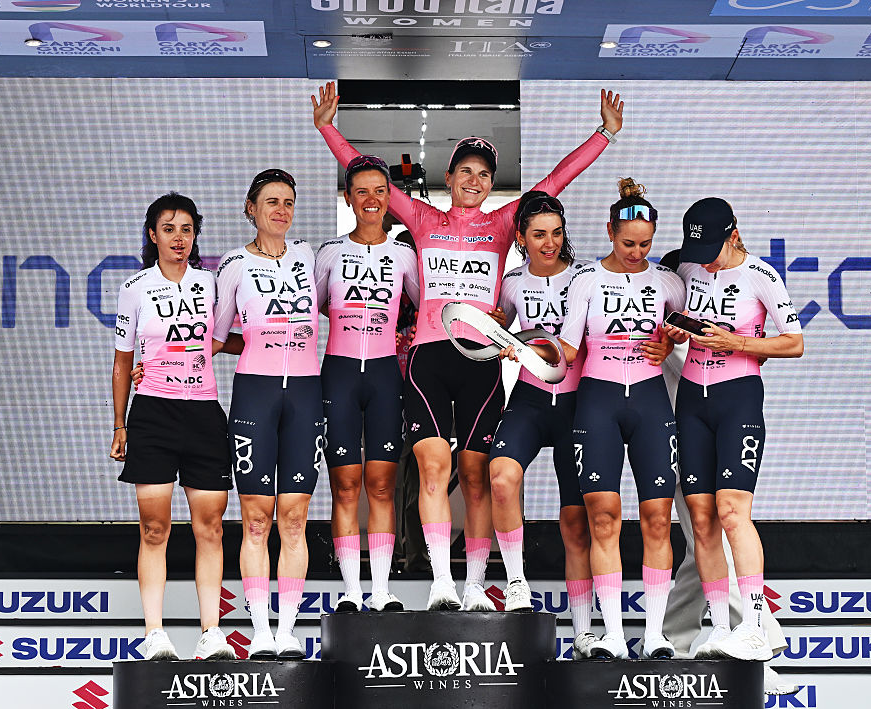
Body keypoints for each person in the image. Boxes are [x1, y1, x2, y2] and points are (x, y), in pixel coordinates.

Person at [312, 81, 624, 611]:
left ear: (491, 181)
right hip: (430, 358)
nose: (474, 180)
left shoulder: (505, 224)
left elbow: (555, 182)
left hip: (481, 361)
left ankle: (477, 583)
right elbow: (376, 184)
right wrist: (327, 129)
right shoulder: (423, 219)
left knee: (477, 474)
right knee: (433, 466)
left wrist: (604, 136)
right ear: (450, 176)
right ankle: (441, 583)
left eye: (484, 173)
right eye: (465, 171)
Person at [663, 197, 804, 662]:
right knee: (700, 517)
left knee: (731, 511)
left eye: (712, 249)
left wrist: (738, 342)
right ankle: (722, 627)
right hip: (691, 400)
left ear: (734, 234)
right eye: (696, 249)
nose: (704, 259)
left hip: (737, 396)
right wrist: (680, 334)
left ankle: (757, 623)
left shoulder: (761, 276)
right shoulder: (687, 269)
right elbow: (675, 320)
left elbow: (795, 343)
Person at [556, 179, 685, 660]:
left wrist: (671, 342)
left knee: (657, 519)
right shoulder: (585, 280)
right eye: (628, 243)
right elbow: (568, 349)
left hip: (651, 402)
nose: (637, 252)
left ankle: (653, 635)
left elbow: (686, 336)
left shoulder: (668, 282)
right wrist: (526, 351)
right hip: (599, 401)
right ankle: (611, 634)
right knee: (603, 518)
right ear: (610, 231)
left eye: (646, 244)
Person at [110, 193, 236, 661]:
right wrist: (118, 425)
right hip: (153, 416)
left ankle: (211, 632)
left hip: (204, 413)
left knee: (211, 528)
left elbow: (231, 339)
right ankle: (155, 633)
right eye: (169, 228)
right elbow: (124, 361)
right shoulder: (134, 287)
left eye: (186, 229)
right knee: (154, 528)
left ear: (194, 236)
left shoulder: (213, 283)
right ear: (152, 235)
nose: (178, 238)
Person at [213, 169, 324, 658]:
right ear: (251, 208)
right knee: (256, 519)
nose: (281, 210)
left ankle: (286, 631)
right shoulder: (234, 264)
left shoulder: (308, 255)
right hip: (255, 392)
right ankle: (259, 631)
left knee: (295, 518)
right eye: (271, 202)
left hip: (305, 391)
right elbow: (215, 337)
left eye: (288, 202)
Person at [486, 191, 595, 657]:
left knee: (575, 523)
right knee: (501, 475)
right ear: (521, 239)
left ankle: (585, 632)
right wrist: (500, 335)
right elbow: (498, 329)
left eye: (555, 233)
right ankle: (516, 583)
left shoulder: (587, 278)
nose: (549, 243)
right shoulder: (510, 282)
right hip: (530, 399)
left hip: (577, 404)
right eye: (538, 235)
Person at [314, 155, 420, 612]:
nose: (372, 200)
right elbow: (315, 304)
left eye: (380, 191)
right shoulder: (329, 253)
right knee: (345, 486)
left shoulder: (404, 255)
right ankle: (352, 594)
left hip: (383, 375)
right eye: (362, 191)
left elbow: (427, 308)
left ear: (390, 198)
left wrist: (406, 333)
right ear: (348, 198)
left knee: (381, 485)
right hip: (337, 371)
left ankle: (380, 589)